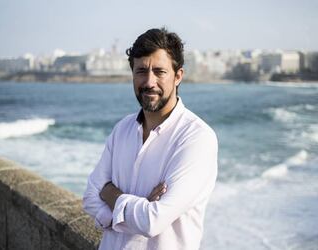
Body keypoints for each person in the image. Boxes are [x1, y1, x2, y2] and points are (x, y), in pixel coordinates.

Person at [83, 27, 218, 250]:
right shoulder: (122, 130)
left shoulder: (197, 138)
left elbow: (153, 221)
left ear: (178, 76)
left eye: (159, 71)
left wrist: (110, 194)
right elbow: (90, 198)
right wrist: (140, 206)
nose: (149, 81)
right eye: (141, 71)